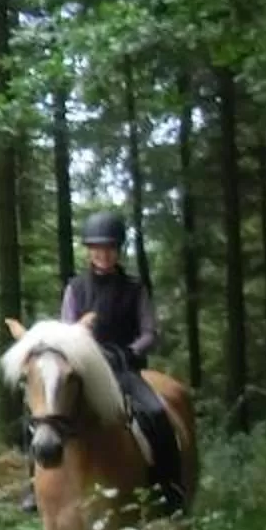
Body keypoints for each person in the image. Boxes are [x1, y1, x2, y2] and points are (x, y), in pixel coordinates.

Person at [61, 208, 184, 508]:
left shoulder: (134, 289)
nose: (103, 254)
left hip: (124, 369)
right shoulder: (75, 288)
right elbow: (67, 331)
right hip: (86, 371)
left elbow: (149, 332)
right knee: (44, 415)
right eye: (97, 248)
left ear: (118, 250)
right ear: (89, 251)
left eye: (110, 248)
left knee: (156, 413)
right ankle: (34, 486)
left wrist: (130, 352)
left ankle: (169, 484)